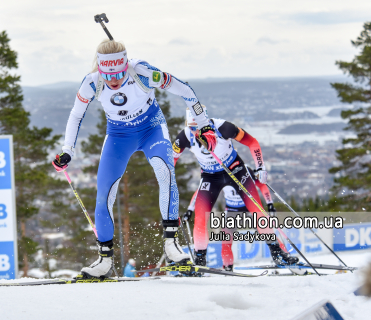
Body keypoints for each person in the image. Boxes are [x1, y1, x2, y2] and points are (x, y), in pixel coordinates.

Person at [53, 39, 215, 278]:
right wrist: (68, 149)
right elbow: (76, 115)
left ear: (125, 65)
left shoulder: (142, 72)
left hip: (151, 128)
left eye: (119, 73)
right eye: (109, 75)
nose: (115, 80)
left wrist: (204, 125)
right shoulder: (92, 82)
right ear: (100, 69)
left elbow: (185, 89)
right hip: (119, 135)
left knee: (165, 173)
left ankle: (172, 246)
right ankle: (104, 260)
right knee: (104, 191)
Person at [173, 107, 299, 270]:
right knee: (200, 217)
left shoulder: (223, 127)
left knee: (258, 212)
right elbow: (171, 160)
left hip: (235, 170)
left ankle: (277, 253)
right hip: (211, 176)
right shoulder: (184, 137)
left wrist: (260, 167)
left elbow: (252, 142)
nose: (196, 131)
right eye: (191, 127)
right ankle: (199, 261)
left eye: (198, 127)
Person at [185, 165, 294, 271]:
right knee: (226, 239)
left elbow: (262, 185)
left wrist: (270, 203)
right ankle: (228, 268)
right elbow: (200, 193)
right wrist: (190, 209)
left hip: (249, 208)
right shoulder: (214, 173)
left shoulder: (244, 169)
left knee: (267, 232)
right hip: (233, 211)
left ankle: (283, 256)